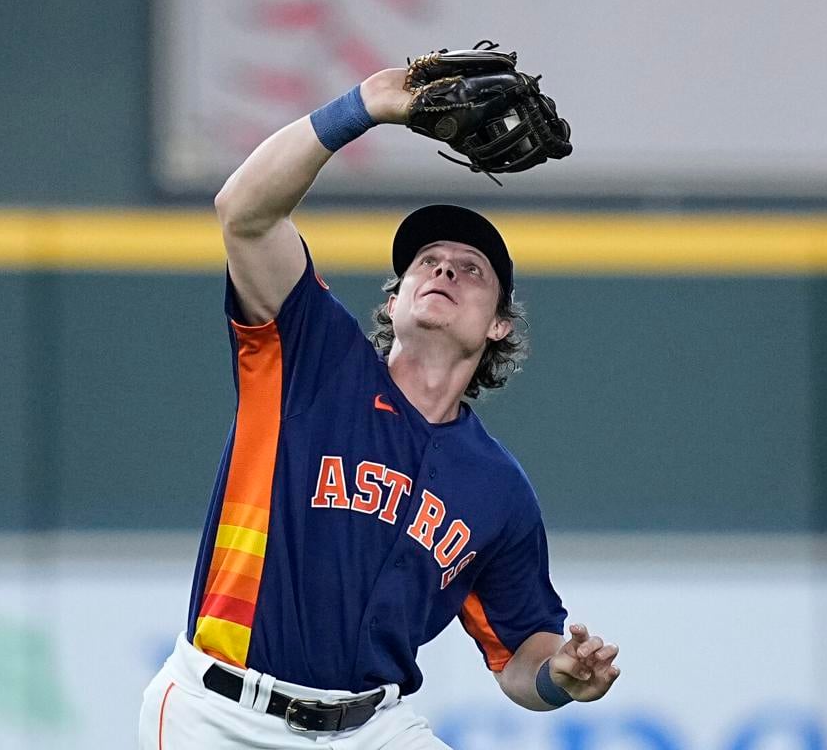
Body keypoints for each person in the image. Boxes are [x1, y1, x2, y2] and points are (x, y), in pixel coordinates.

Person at [139, 67, 621, 749]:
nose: (446, 269)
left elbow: (520, 654)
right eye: (428, 261)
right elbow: (243, 213)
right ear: (393, 302)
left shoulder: (497, 490)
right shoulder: (313, 360)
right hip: (223, 715)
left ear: (498, 328)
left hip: (372, 726)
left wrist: (561, 679)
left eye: (471, 269)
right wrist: (362, 107)